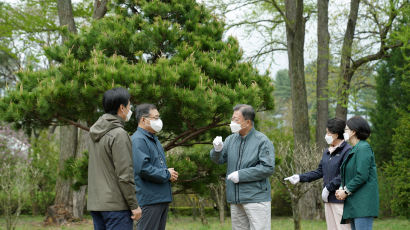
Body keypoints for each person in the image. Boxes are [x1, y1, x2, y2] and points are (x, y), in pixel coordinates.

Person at [210, 104, 275, 230]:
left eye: (236, 120)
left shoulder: (262, 141)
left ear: (247, 122)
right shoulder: (230, 140)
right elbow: (218, 160)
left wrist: (241, 175)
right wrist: (217, 150)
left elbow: (267, 168)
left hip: (256, 199)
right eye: (232, 119)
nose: (232, 122)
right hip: (236, 199)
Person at [87, 87, 141, 230]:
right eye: (129, 105)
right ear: (122, 108)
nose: (130, 109)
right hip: (116, 206)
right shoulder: (119, 134)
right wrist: (134, 205)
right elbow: (125, 174)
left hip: (96, 204)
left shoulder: (94, 132)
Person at [284, 118, 352, 230]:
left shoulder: (347, 150)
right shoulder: (327, 151)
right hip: (328, 200)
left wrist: (328, 188)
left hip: (340, 200)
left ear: (336, 134)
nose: (326, 135)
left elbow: (344, 174)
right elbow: (320, 171)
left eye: (328, 132)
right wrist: (300, 177)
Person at [131, 104, 178, 230]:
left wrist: (168, 174)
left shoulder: (153, 139)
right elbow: (143, 168)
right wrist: (167, 174)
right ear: (143, 119)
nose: (159, 121)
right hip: (150, 200)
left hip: (160, 198)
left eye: (159, 117)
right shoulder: (138, 140)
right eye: (155, 118)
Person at [336, 116, 379, 230]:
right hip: (355, 204)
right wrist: (341, 188)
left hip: (363, 205)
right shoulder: (355, 149)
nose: (343, 132)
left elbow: (362, 175)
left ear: (353, 132)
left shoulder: (363, 148)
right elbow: (349, 174)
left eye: (346, 130)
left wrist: (346, 191)